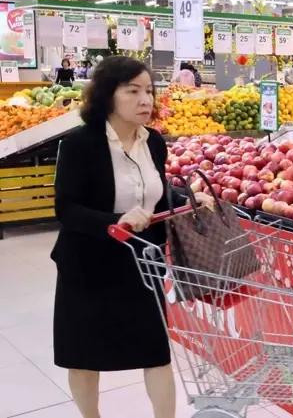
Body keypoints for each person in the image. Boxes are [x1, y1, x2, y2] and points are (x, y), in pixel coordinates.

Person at [51, 56, 212, 418]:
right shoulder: (80, 144)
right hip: (88, 266)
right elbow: (67, 208)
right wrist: (115, 220)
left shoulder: (153, 141)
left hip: (142, 265)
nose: (145, 100)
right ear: (108, 96)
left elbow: (156, 191)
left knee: (155, 350)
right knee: (84, 355)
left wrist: (189, 198)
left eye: (150, 91)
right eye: (133, 91)